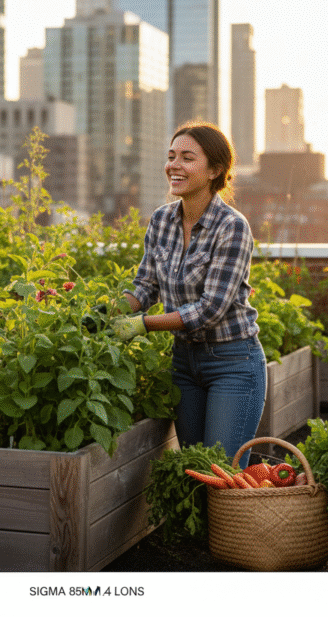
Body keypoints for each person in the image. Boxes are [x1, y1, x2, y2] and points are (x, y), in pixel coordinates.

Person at [112, 121, 266, 468]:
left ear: (214, 170)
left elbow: (210, 308)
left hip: (232, 363)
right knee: (195, 469)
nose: (174, 165)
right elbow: (145, 285)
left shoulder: (232, 226)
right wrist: (109, 310)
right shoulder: (162, 220)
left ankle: (232, 526)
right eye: (171, 157)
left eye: (187, 158)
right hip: (184, 363)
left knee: (223, 472)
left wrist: (142, 325)